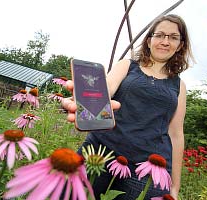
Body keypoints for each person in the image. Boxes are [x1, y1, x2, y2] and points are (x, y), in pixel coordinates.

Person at [64, 14, 194, 200]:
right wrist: (86, 91)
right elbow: (107, 87)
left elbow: (176, 134)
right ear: (149, 40)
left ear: (180, 45)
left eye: (173, 37)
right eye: (160, 35)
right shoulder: (127, 65)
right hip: (100, 151)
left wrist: (175, 184)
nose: (165, 41)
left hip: (146, 167)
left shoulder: (179, 86)